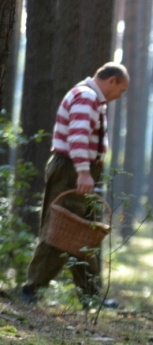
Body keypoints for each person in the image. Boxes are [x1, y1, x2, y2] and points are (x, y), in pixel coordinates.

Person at [20, 63, 130, 305]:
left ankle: (90, 295)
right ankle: (31, 290)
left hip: (81, 170)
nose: (119, 95)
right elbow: (77, 137)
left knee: (86, 234)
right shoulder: (86, 97)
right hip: (72, 170)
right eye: (121, 89)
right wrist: (83, 172)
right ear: (111, 80)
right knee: (60, 229)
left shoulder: (93, 99)